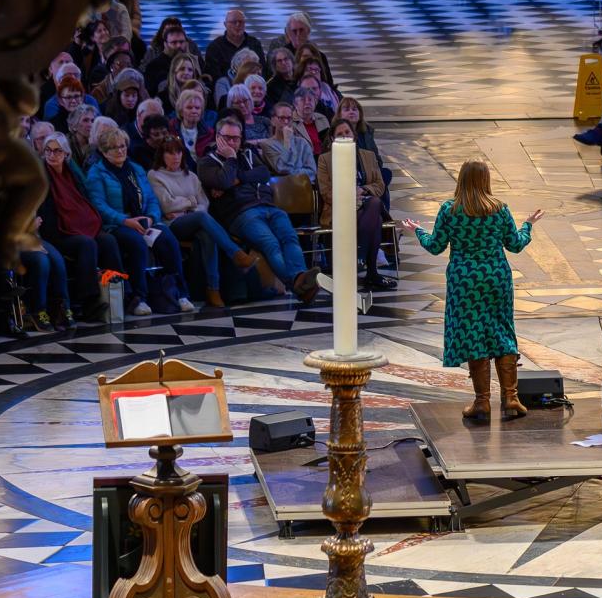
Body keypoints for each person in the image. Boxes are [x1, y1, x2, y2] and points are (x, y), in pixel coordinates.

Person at [402, 161, 543, 421]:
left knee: (473, 334)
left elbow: (435, 247)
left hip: (463, 281)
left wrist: (417, 231)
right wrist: (528, 225)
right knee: (502, 330)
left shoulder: (450, 210)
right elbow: (515, 245)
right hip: (496, 278)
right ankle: (511, 398)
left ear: (461, 180)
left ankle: (482, 403)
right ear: (486, 179)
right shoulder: (499, 209)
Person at [197, 116, 320, 303]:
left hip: (267, 205)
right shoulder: (207, 162)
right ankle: (298, 284)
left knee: (290, 237)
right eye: (227, 138)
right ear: (217, 137)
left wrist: (238, 179)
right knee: (270, 243)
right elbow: (223, 180)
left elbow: (263, 173)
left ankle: (299, 279)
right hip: (241, 213)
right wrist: (230, 159)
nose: (232, 142)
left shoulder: (248, 153)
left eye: (236, 138)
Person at [85, 126, 195, 317]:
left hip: (144, 221)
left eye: (122, 146)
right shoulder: (96, 173)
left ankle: (180, 293)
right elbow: (99, 206)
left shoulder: (135, 169)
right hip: (117, 224)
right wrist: (126, 221)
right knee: (136, 243)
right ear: (103, 151)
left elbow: (151, 198)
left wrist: (151, 218)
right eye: (114, 148)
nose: (120, 151)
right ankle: (139, 298)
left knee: (167, 238)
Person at [148, 137, 262, 307]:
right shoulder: (155, 175)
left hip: (191, 220)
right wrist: (192, 203)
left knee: (207, 234)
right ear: (162, 156)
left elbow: (205, 204)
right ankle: (236, 254)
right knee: (202, 218)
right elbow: (167, 205)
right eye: (170, 153)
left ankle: (213, 289)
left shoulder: (191, 176)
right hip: (170, 225)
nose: (175, 157)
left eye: (178, 152)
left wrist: (186, 208)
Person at [35, 134, 119, 322]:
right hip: (57, 231)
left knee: (108, 240)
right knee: (86, 244)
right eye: (48, 150)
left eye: (57, 151)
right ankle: (87, 303)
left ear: (66, 154)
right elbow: (45, 213)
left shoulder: (71, 173)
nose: (52, 155)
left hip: (78, 225)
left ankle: (118, 293)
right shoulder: (41, 176)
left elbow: (83, 202)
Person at [318, 119, 393, 292]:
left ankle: (360, 257)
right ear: (332, 139)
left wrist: (363, 189)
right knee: (375, 219)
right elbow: (325, 192)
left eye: (347, 132)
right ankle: (371, 273)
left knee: (373, 202)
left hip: (365, 202)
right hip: (340, 208)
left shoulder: (368, 156)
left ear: (354, 135)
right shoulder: (325, 160)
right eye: (339, 134)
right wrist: (349, 195)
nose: (344, 136)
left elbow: (379, 185)